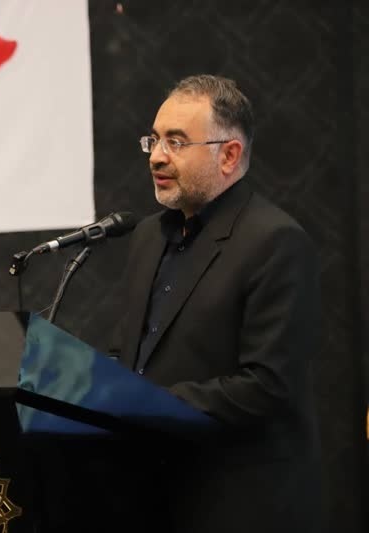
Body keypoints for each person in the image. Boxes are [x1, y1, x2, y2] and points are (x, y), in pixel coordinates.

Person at [110, 74, 323, 533]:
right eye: (153, 140)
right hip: (149, 496)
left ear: (228, 155)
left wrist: (145, 404)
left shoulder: (275, 241)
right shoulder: (148, 236)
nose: (156, 156)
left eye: (176, 142)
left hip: (237, 503)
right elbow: (130, 352)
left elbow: (267, 385)